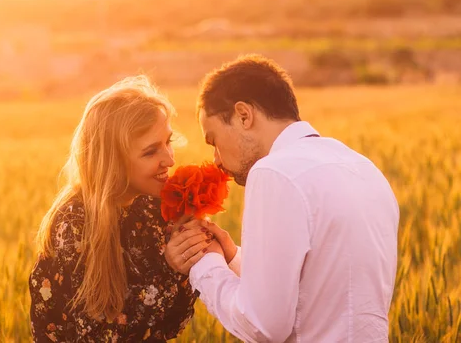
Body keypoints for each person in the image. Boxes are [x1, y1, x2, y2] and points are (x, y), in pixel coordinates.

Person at [165, 55, 400, 342]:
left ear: (243, 115)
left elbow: (262, 325)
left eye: (213, 140)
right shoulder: (364, 168)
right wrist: (231, 257)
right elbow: (318, 289)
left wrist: (204, 263)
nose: (215, 160)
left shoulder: (274, 171)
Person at [29, 76, 210, 342]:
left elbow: (169, 327)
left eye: (168, 142)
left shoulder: (154, 207)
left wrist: (189, 257)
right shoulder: (74, 223)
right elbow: (99, 335)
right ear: (112, 161)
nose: (170, 159)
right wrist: (169, 268)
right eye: (150, 152)